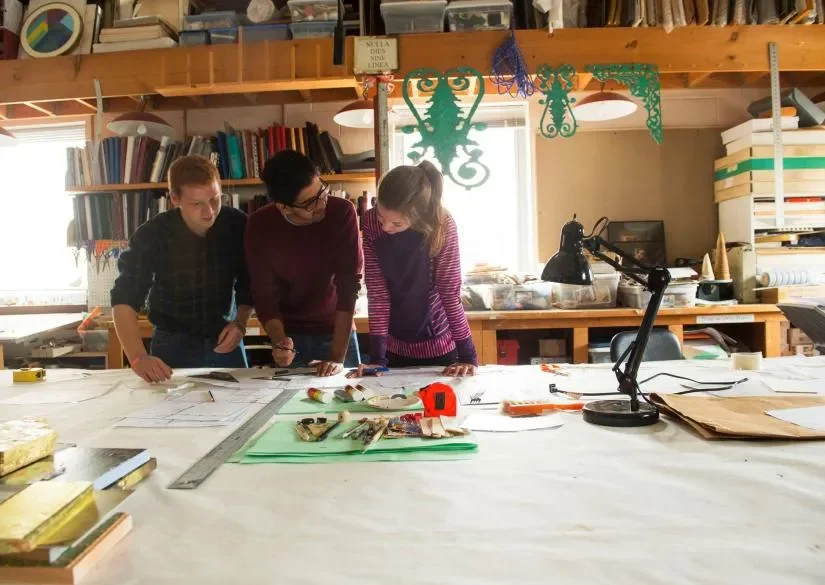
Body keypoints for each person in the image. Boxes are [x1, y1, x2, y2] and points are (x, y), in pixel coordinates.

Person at [111, 155, 252, 382]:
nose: (209, 212)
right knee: (170, 414)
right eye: (196, 204)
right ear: (175, 198)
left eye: (215, 199)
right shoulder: (153, 234)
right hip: (172, 344)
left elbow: (249, 284)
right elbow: (124, 299)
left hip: (227, 338)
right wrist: (137, 357)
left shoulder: (237, 224)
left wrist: (241, 324)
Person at [351, 160, 477, 377]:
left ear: (419, 217)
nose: (385, 227)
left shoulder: (442, 223)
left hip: (439, 347)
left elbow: (449, 293)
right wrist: (377, 358)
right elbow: (378, 294)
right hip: (392, 346)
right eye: (381, 216)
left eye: (397, 224)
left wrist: (468, 357)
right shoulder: (371, 222)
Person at [245, 150, 362, 377]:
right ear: (283, 207)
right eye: (310, 203)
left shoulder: (342, 212)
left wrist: (336, 359)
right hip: (290, 337)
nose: (322, 204)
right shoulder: (260, 225)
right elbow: (264, 294)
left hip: (337, 331)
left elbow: (349, 286)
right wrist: (280, 341)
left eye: (322, 191)